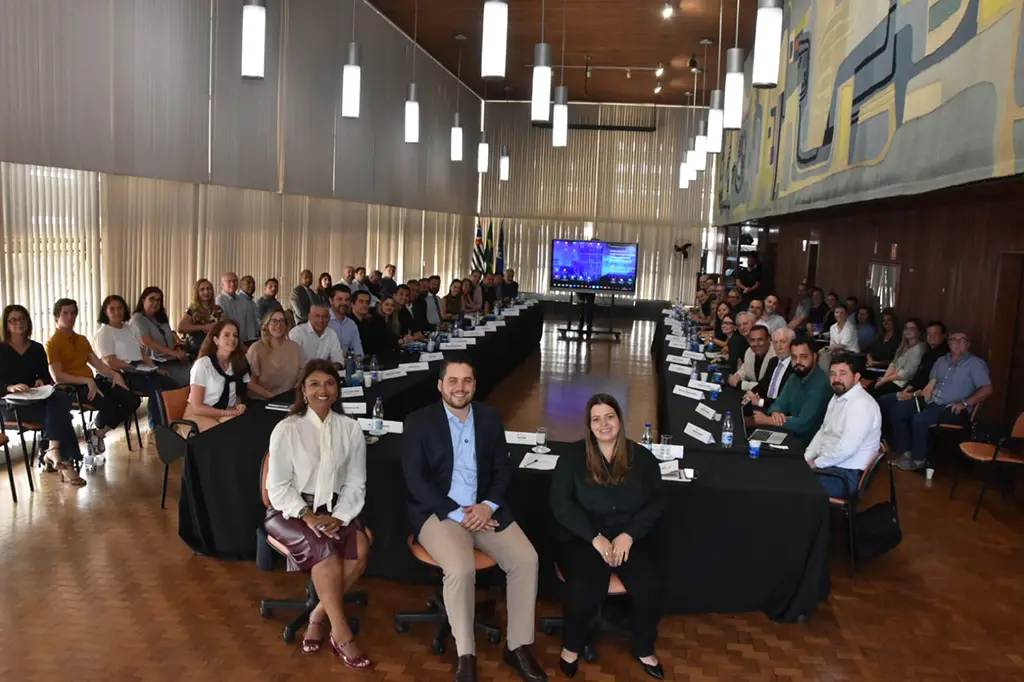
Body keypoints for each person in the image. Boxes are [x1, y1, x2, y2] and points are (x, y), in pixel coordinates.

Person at [402, 356, 546, 682]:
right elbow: (416, 481)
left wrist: (488, 506)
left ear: (475, 385)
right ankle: (466, 654)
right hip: (439, 513)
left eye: (467, 381)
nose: (460, 387)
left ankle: (518, 647)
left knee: (527, 559)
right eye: (453, 380)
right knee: (460, 567)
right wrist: (458, 512)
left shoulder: (490, 418)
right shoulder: (419, 422)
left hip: (484, 511)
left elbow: (501, 469)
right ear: (440, 385)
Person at [549, 394, 666, 680]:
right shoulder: (572, 458)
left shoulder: (642, 458)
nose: (604, 424)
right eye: (596, 419)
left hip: (627, 538)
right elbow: (561, 505)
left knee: (650, 586)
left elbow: (656, 502)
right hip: (583, 538)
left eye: (609, 417)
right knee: (584, 586)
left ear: (620, 420)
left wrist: (629, 535)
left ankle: (643, 646)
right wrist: (595, 538)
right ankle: (571, 646)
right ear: (589, 425)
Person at [264, 359, 372, 669]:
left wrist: (340, 516)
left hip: (333, 510)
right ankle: (341, 634)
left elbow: (355, 483)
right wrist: (308, 515)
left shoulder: (350, 428)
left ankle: (318, 614)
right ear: (303, 389)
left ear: (338, 390)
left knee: (361, 548)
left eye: (329, 384)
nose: (321, 390)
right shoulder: (287, 429)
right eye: (314, 384)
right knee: (325, 553)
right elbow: (278, 487)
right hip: (289, 510)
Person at [0, 305, 86, 485]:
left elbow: (44, 376)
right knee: (62, 416)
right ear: (6, 325)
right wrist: (10, 387)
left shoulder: (37, 348)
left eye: (22, 318)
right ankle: (64, 462)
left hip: (35, 399)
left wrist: (41, 381)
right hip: (10, 406)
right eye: (13, 320)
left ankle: (53, 450)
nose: (19, 323)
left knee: (60, 397)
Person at [888, 332, 993, 471]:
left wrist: (965, 403)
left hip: (954, 409)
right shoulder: (941, 361)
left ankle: (919, 459)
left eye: (963, 340)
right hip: (933, 402)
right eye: (954, 339)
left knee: (920, 419)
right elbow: (931, 385)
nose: (958, 342)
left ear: (968, 344)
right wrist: (921, 398)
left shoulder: (975, 363)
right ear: (948, 343)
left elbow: (987, 389)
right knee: (898, 411)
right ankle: (907, 452)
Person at [46, 298, 141, 452]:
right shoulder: (52, 343)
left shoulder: (81, 339)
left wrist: (114, 374)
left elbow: (97, 364)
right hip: (71, 388)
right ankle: (94, 432)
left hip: (91, 382)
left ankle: (98, 433)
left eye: (73, 313)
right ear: (57, 315)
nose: (70, 317)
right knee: (110, 404)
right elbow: (57, 376)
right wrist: (86, 380)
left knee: (132, 399)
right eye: (65, 313)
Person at [95, 294, 179, 432]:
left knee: (172, 383)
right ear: (105, 311)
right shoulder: (104, 333)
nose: (117, 312)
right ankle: (156, 430)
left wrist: (154, 368)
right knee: (156, 388)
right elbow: (110, 361)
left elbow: (142, 353)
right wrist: (134, 367)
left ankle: (173, 424)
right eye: (112, 309)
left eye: (120, 308)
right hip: (122, 374)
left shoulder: (128, 328)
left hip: (139, 368)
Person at [804, 354, 882, 499]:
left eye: (843, 373)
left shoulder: (861, 405)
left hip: (846, 475)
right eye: (833, 374)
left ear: (857, 377)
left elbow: (845, 449)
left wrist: (815, 463)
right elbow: (823, 432)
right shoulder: (837, 397)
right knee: (787, 474)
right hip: (832, 466)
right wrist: (806, 458)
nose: (836, 379)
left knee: (793, 485)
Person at [752, 338, 830, 440]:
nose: (798, 361)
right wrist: (776, 413)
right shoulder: (794, 377)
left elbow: (803, 424)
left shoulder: (822, 383)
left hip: (810, 443)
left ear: (814, 357)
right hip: (791, 433)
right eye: (794, 357)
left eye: (804, 357)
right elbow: (779, 403)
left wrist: (766, 420)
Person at [183, 319, 250, 431]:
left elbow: (237, 395)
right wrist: (227, 412)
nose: (232, 339)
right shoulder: (203, 364)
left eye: (235, 335)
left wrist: (238, 406)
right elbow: (197, 407)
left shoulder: (239, 363)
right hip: (199, 414)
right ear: (216, 340)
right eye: (226, 335)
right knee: (221, 434)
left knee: (244, 428)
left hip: (225, 411)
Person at [131, 286, 191, 386]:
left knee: (194, 371)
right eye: (152, 299)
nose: (155, 303)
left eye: (158, 300)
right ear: (143, 300)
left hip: (171, 359)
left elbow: (169, 335)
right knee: (185, 379)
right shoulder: (138, 318)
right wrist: (174, 353)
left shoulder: (160, 318)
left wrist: (177, 348)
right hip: (153, 362)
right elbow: (147, 342)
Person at [246, 310, 304, 401]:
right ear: (266, 325)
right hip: (262, 401)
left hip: (289, 399)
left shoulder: (295, 347)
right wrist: (275, 398)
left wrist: (291, 395)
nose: (278, 325)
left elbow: (302, 375)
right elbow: (250, 383)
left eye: (282, 321)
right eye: (274, 321)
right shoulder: (256, 348)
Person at [744, 328, 796, 411]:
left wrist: (761, 402)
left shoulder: (795, 367)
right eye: (775, 342)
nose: (778, 346)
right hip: (763, 405)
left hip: (779, 411)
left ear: (792, 344)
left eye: (783, 342)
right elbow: (763, 384)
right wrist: (751, 393)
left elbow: (786, 400)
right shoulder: (773, 361)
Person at [871, 318, 925, 395]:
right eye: (906, 328)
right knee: (870, 387)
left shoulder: (919, 348)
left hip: (902, 383)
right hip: (891, 379)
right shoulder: (903, 346)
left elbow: (907, 373)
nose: (908, 330)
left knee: (876, 392)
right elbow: (894, 363)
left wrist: (885, 379)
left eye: (912, 328)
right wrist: (884, 378)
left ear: (919, 332)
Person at [177, 278, 224, 358]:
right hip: (196, 350)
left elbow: (224, 325)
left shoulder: (218, 309)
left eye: (208, 289)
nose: (206, 292)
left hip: (214, 349)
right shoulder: (192, 309)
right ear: (197, 293)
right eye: (202, 289)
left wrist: (215, 325)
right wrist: (203, 327)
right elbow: (181, 328)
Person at [216, 271, 261, 344]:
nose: (232, 284)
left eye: (235, 281)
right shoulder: (220, 301)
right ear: (222, 285)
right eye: (229, 281)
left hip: (243, 341)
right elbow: (223, 324)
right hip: (229, 342)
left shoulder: (240, 300)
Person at [354, 293, 401, 359]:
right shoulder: (376, 319)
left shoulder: (392, 320)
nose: (389, 307)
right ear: (381, 305)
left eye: (392, 305)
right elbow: (381, 341)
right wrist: (398, 341)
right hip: (374, 356)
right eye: (386, 304)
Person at [729, 324, 774, 391]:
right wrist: (737, 376)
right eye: (752, 340)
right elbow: (744, 370)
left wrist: (741, 384)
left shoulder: (775, 356)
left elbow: (768, 386)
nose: (756, 344)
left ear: (768, 339)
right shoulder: (749, 351)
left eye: (760, 339)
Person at [325, 286, 364, 358]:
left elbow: (359, 354)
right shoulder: (322, 320)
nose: (344, 303)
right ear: (331, 301)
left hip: (345, 366)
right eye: (340, 299)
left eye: (347, 300)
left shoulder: (351, 325)